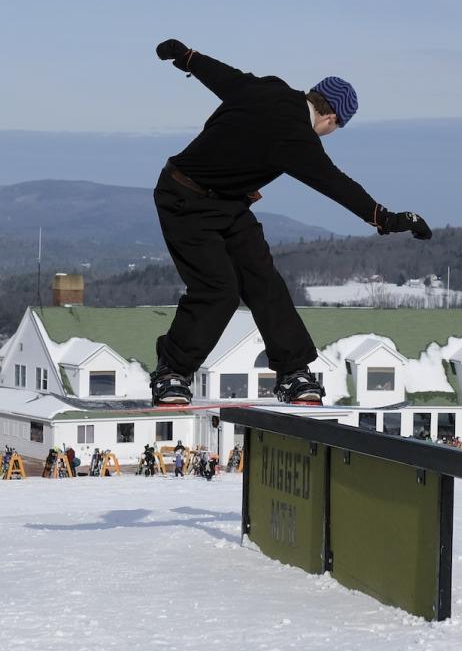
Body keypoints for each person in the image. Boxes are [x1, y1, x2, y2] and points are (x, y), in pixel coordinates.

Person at [148, 40, 432, 406]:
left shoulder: (268, 88)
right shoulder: (299, 139)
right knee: (218, 290)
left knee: (264, 281)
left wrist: (186, 57)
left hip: (225, 204)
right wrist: (386, 219)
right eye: (336, 128)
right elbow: (336, 183)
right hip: (185, 201)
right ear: (331, 120)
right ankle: (172, 370)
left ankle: (294, 370)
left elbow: (223, 76)